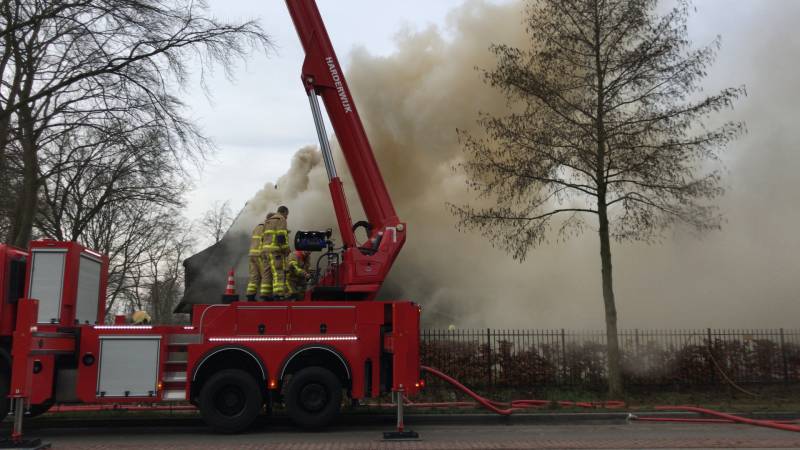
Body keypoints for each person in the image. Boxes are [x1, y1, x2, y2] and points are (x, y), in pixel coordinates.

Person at [261, 205, 290, 300]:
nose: (287, 217)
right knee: (278, 272)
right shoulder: (281, 219)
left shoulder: (267, 221)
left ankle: (265, 294)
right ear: (284, 212)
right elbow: (281, 236)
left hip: (264, 251)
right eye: (287, 215)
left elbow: (262, 238)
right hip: (275, 251)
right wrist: (286, 249)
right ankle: (278, 294)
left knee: (266, 273)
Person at [246, 214, 271, 301]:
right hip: (260, 255)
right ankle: (265, 295)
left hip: (252, 255)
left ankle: (250, 295)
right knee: (265, 274)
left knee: (254, 275)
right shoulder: (267, 227)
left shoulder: (257, 227)